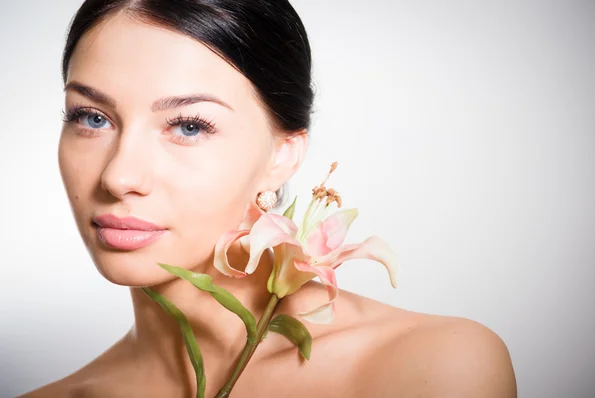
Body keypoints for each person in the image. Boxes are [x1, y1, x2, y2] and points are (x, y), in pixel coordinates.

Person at [19, 0, 517, 397]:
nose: (119, 175)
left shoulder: (430, 368)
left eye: (189, 126)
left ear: (282, 156)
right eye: (91, 118)